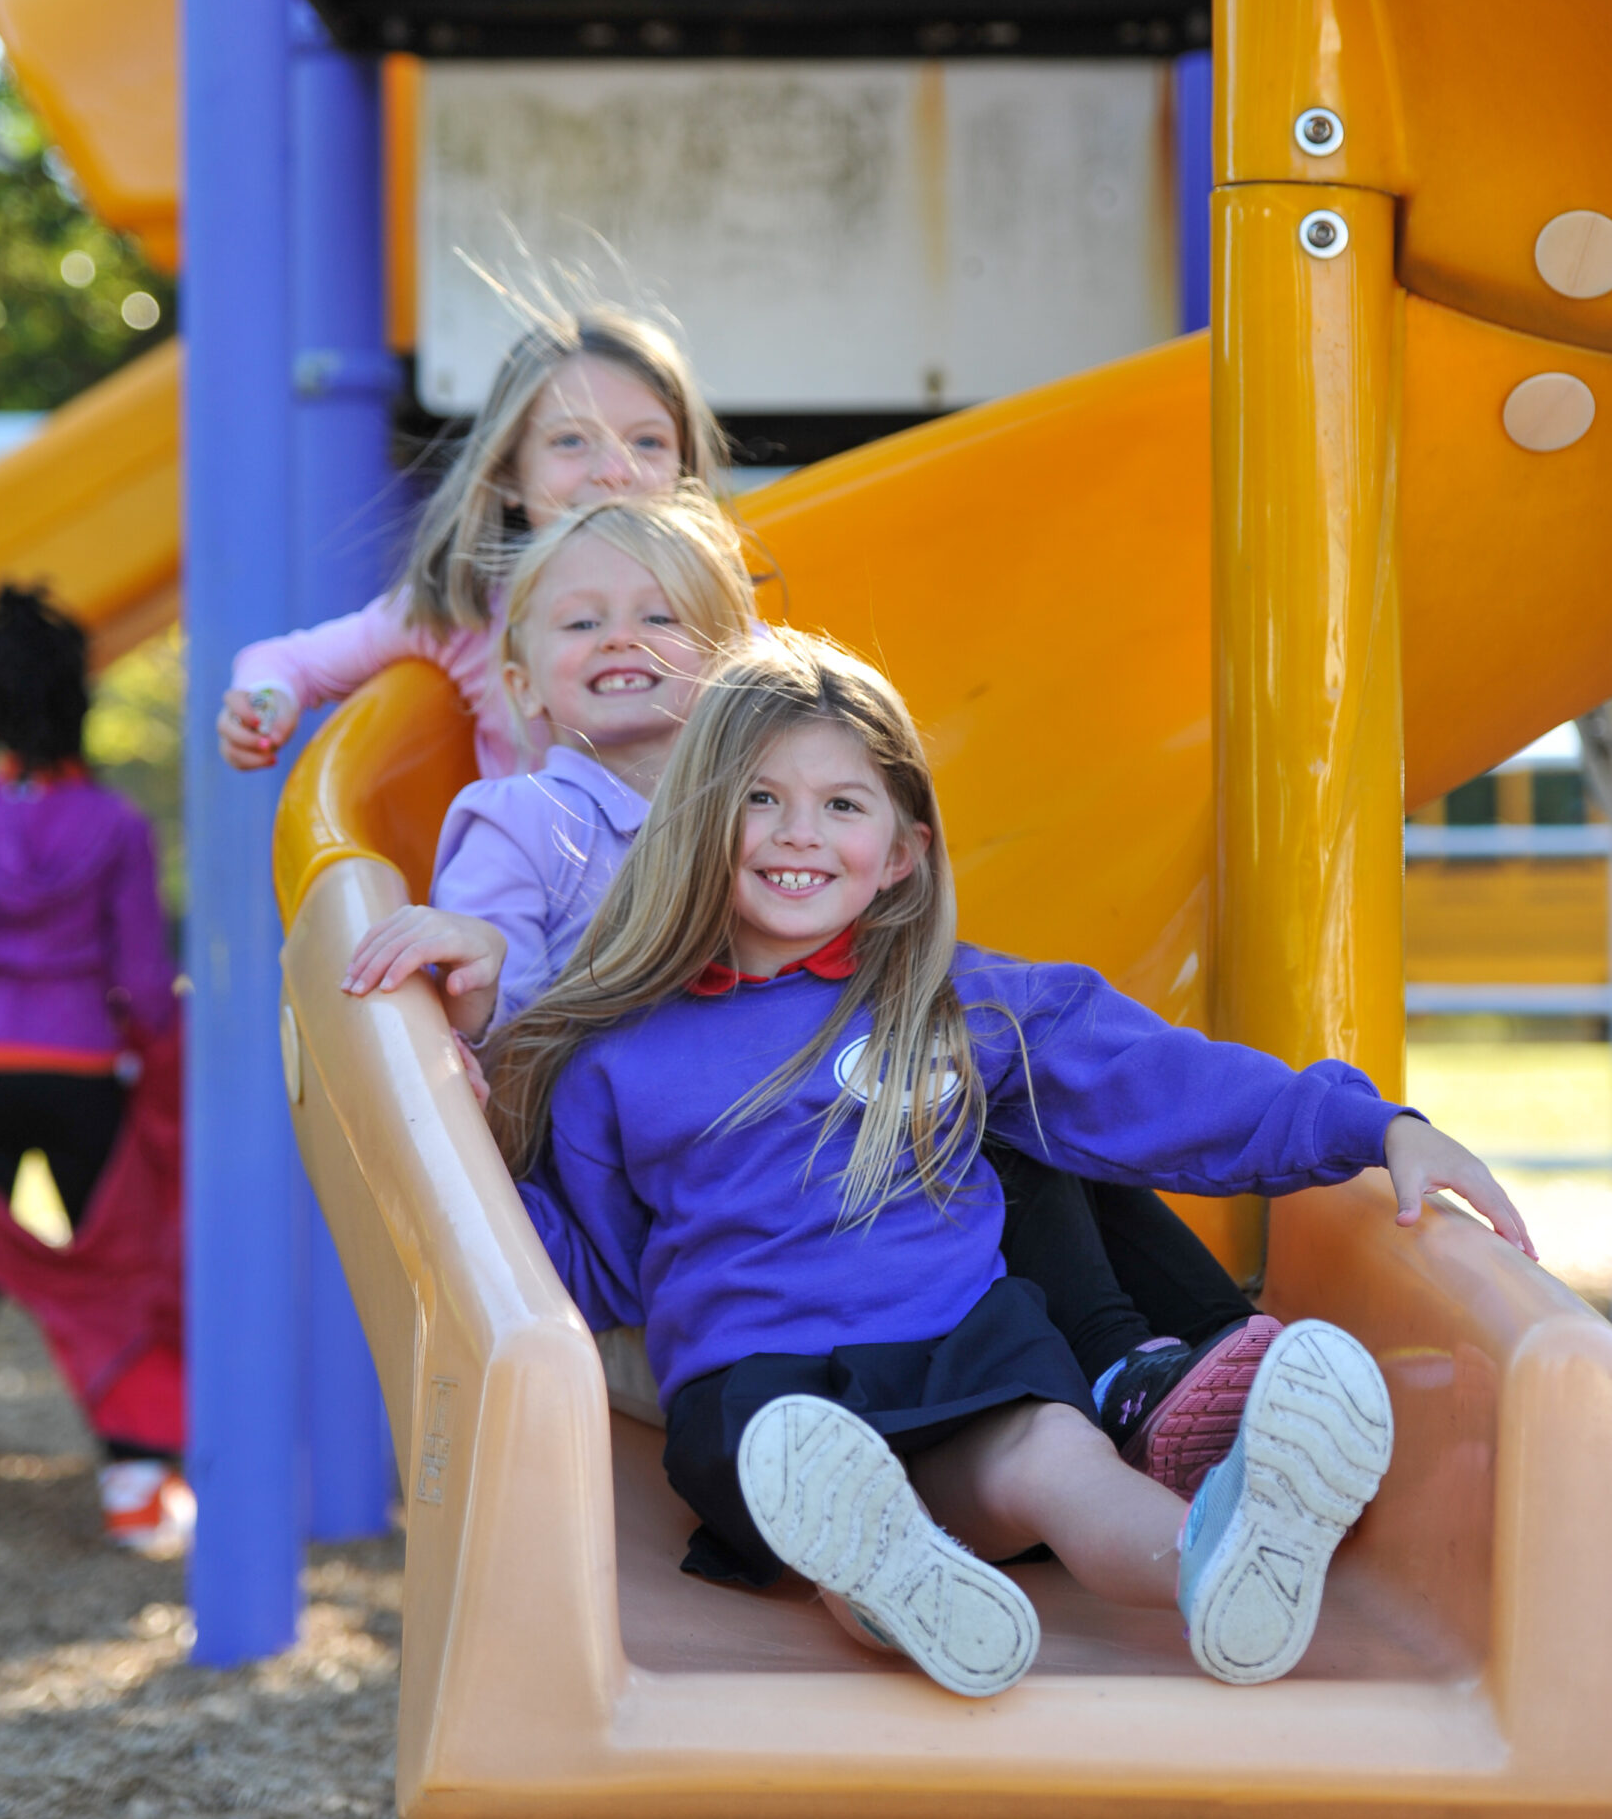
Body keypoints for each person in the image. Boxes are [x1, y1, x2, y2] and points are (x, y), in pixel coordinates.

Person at [482, 631, 1531, 1699]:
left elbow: (1160, 1083)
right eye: (760, 797)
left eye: (844, 804)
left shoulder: (955, 1007)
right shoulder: (620, 1052)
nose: (800, 833)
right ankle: (904, 1588)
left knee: (1056, 1460)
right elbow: (601, 1263)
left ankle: (1224, 1565)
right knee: (836, 1505)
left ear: (901, 851)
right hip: (761, 1387)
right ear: (698, 818)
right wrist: (476, 1163)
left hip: (959, 1339)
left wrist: (1371, 1127)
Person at [0, 586, 188, 1554]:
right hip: (79, 1071)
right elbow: (144, 979)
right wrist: (162, 1058)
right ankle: (135, 1484)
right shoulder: (114, 828)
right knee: (122, 1268)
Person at [217, 303, 728, 781]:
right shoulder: (468, 615)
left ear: (684, 471)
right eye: (570, 440)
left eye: (648, 442)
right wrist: (264, 706)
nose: (615, 472)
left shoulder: (713, 615)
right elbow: (287, 662)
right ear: (507, 474)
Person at [339, 483, 759, 1056]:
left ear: (732, 664)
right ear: (524, 686)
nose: (619, 639)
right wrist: (478, 972)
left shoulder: (763, 812)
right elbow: (495, 1038)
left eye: (659, 616)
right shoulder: (522, 822)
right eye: (582, 624)